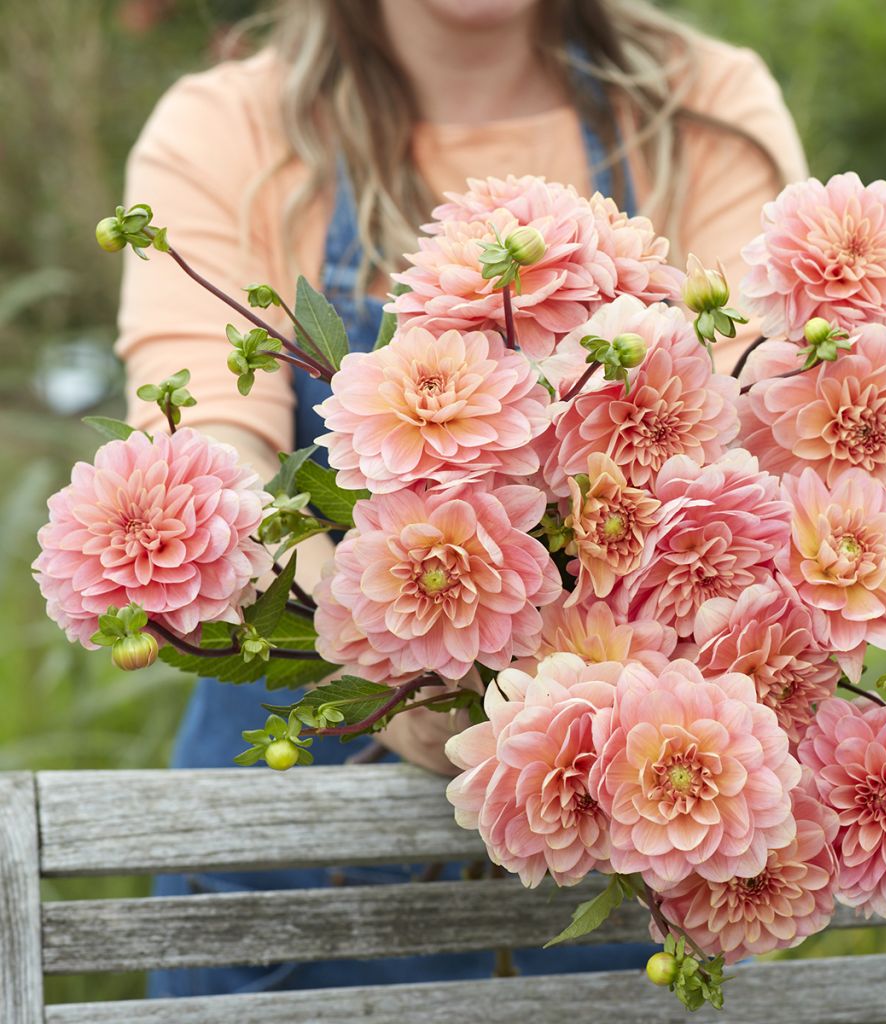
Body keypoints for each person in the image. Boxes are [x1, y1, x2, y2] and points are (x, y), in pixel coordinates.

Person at [116, 0, 806, 997]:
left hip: (622, 832)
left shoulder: (700, 105)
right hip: (296, 861)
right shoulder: (229, 126)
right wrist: (385, 649)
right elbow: (203, 464)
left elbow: (760, 430)